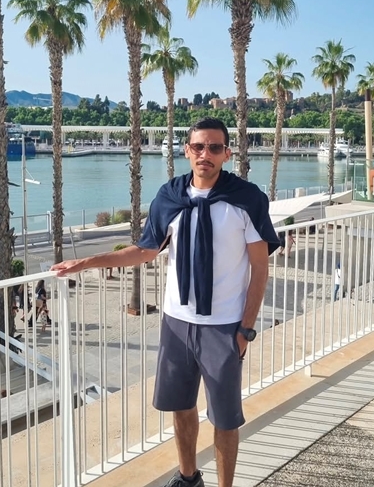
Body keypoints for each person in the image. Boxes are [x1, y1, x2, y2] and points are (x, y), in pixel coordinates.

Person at [51, 117, 280, 487]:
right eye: (199, 146)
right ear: (187, 150)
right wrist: (86, 262)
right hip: (176, 323)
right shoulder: (170, 196)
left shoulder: (247, 199)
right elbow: (144, 251)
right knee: (181, 406)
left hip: (224, 327)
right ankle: (189, 477)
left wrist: (245, 330)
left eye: (214, 147)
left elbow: (260, 267)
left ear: (227, 153)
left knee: (224, 419)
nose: (205, 154)